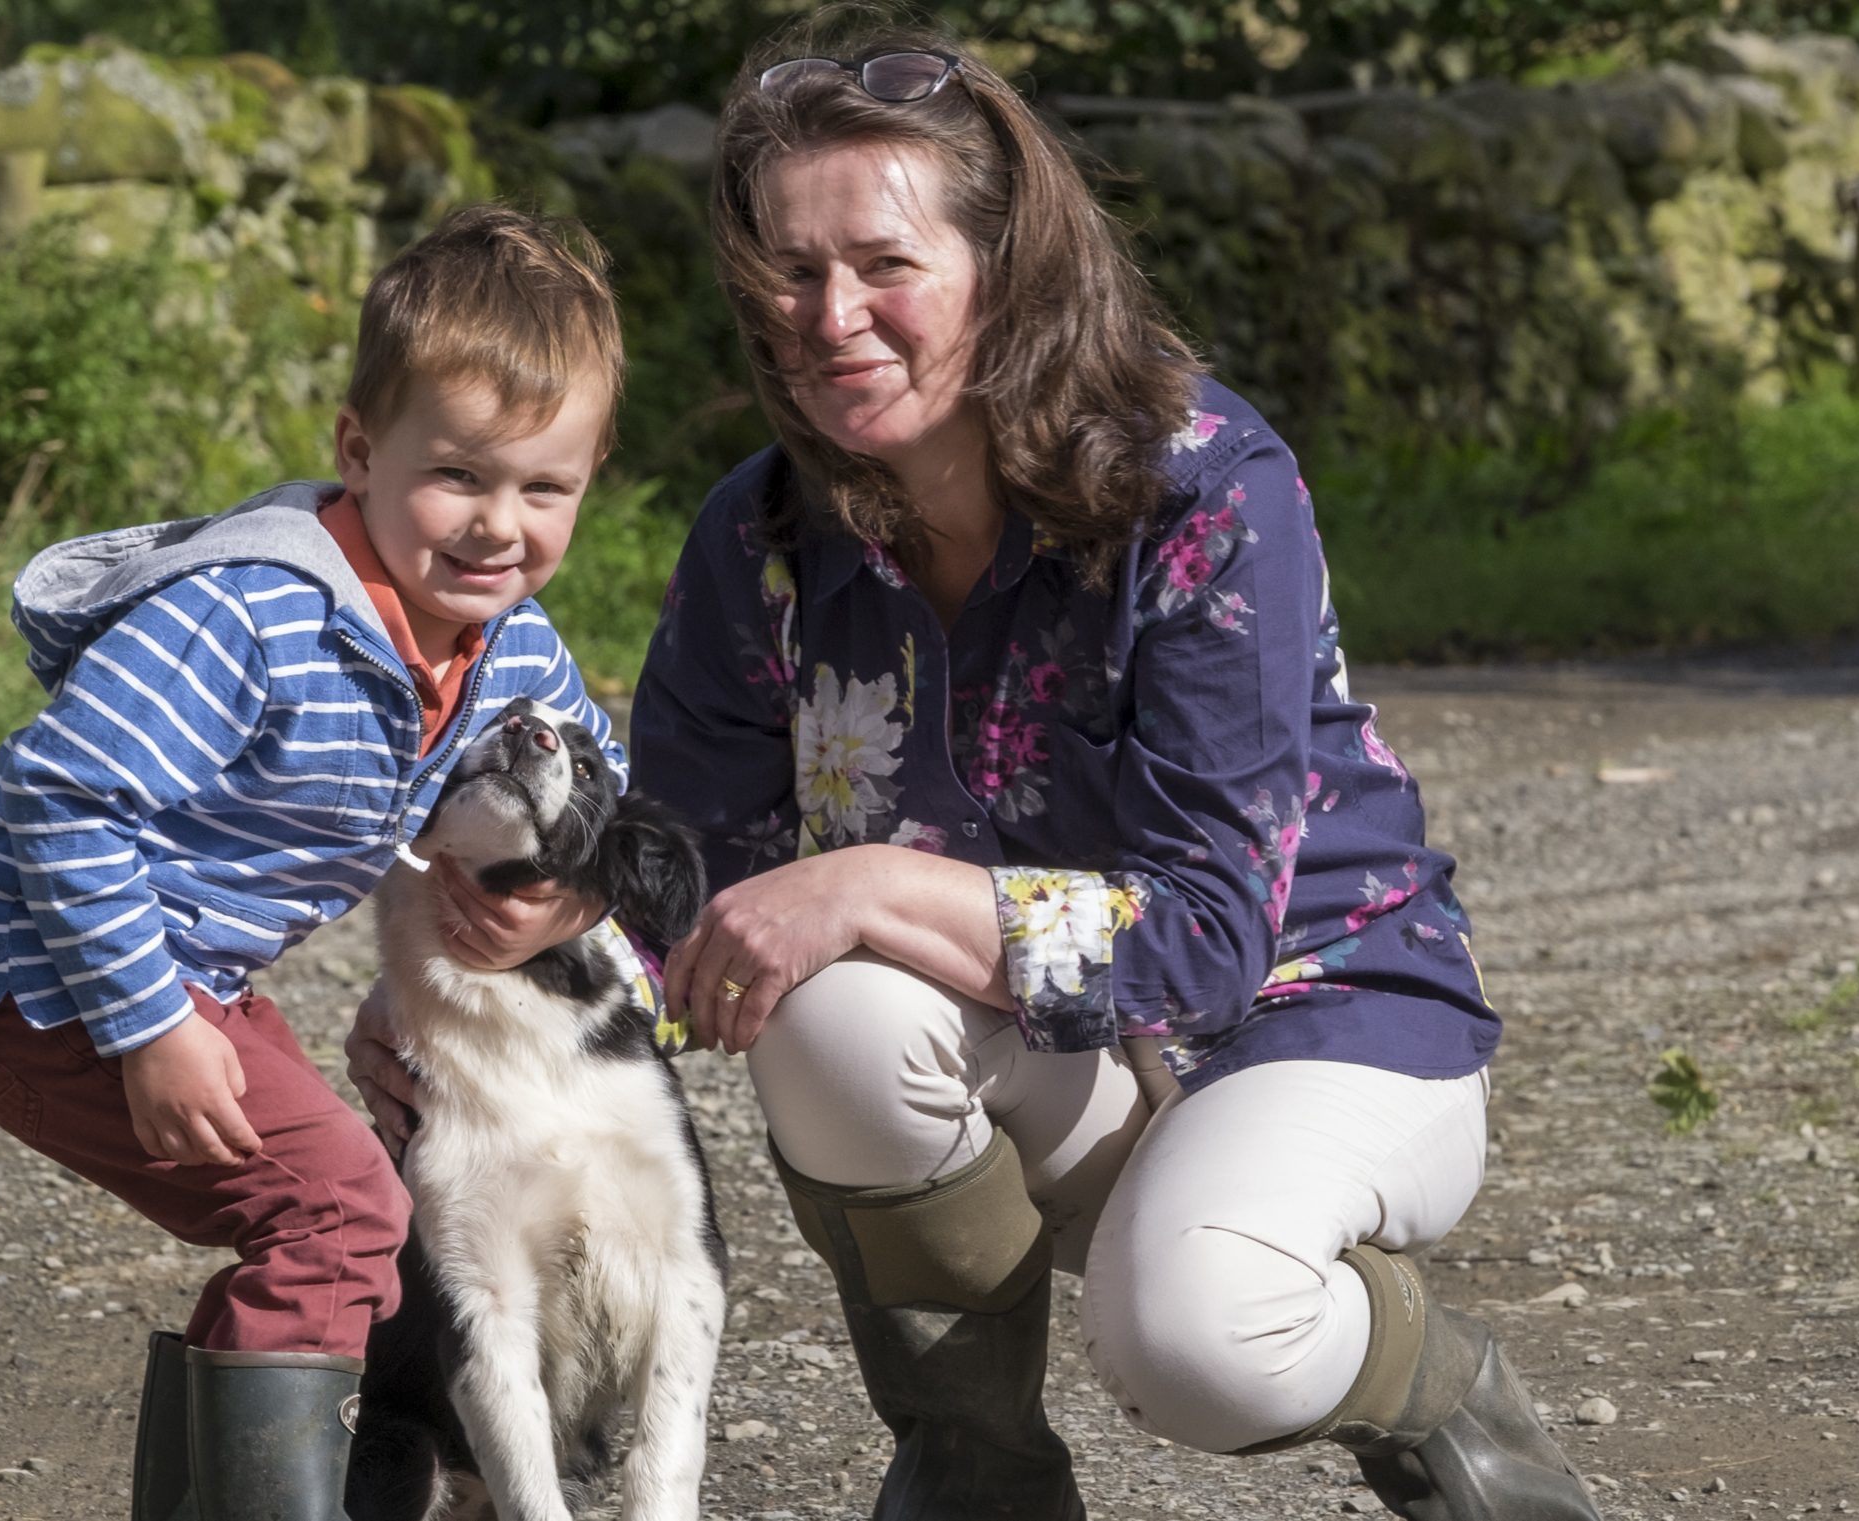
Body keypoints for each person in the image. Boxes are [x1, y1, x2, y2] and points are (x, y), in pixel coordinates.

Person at [379, 14, 1602, 1521]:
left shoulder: (1206, 485)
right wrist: (459, 997)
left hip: (1320, 1015)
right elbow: (686, 902)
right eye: (791, 268)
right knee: (825, 1012)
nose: (831, 313)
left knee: (1192, 1337)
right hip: (1052, 1051)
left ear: (1003, 266)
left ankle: (1438, 1386)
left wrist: (870, 880)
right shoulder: (753, 542)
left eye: (885, 264)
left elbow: (1210, 942)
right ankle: (972, 1470)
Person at [0, 203, 636, 1521]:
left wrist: (471, 958)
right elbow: (66, 800)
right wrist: (150, 1027)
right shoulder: (250, 612)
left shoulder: (508, 649)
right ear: (359, 449)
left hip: (184, 967)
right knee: (340, 1209)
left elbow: (601, 806)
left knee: (347, 1217)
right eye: (457, 474)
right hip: (33, 968)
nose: (496, 527)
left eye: (544, 487)